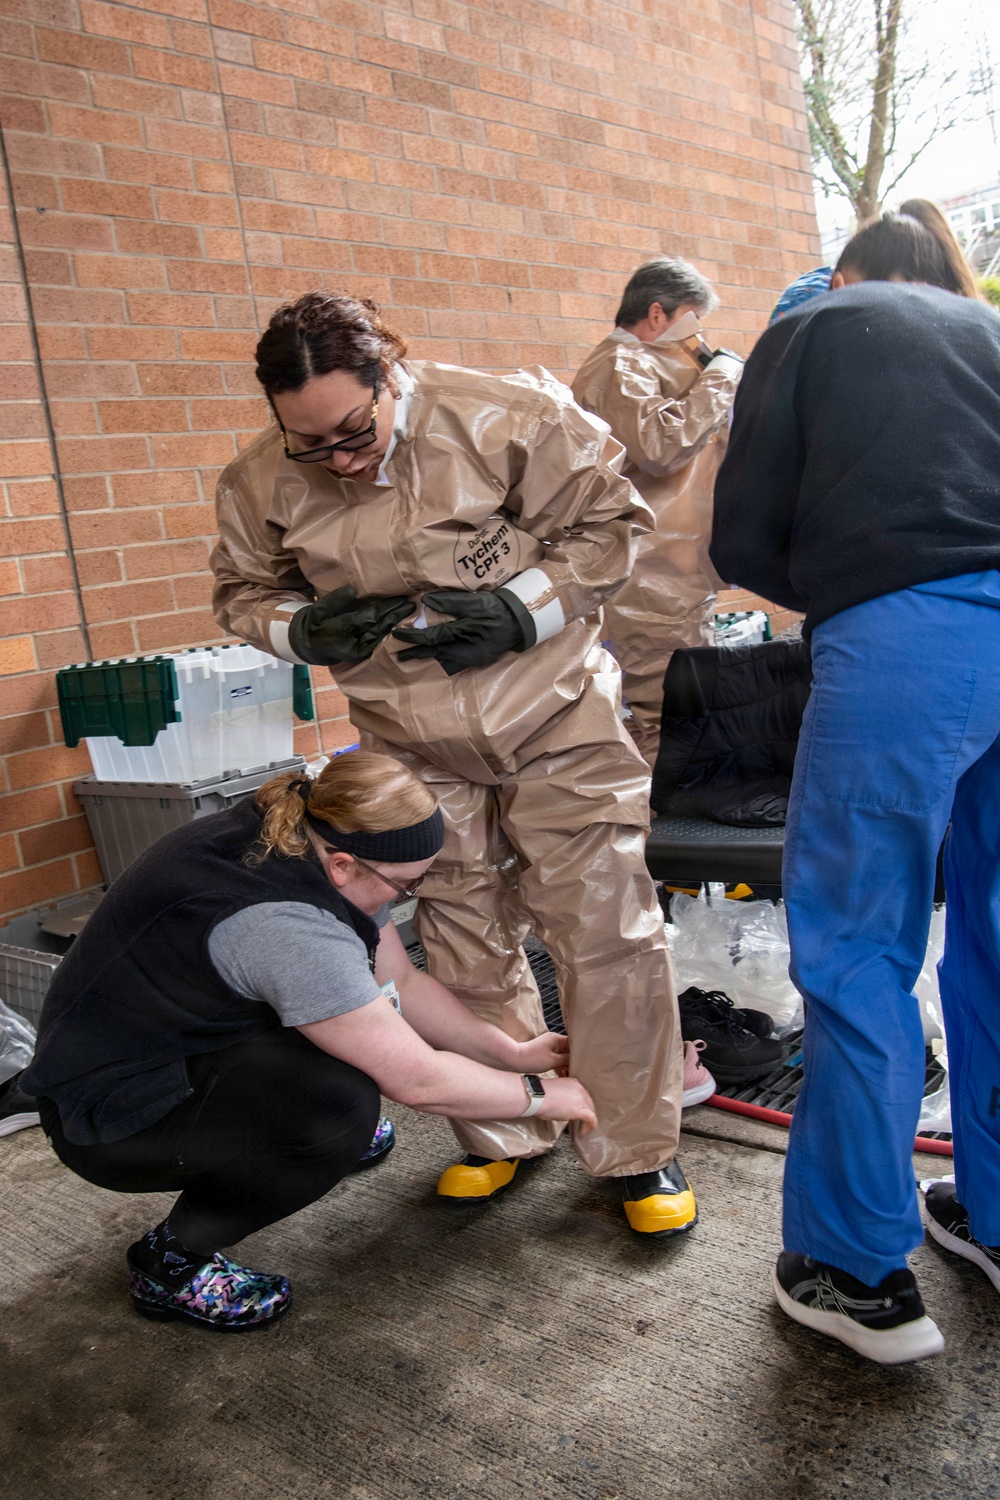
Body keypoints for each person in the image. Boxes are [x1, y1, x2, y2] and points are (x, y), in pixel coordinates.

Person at [210, 292, 697, 1238]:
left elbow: (611, 526)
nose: (341, 460)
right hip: (409, 735)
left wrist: (524, 609)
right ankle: (503, 1137)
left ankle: (637, 1148)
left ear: (393, 372)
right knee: (460, 927)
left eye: (355, 430)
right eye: (310, 444)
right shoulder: (261, 480)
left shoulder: (510, 416)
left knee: (606, 929)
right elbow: (241, 591)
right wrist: (298, 626)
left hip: (556, 710)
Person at [711, 211, 1000, 1364]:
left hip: (905, 637)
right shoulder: (986, 333)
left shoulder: (815, 320)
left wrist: (845, 582)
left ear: (847, 274)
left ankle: (852, 1269)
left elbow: (742, 536)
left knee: (859, 948)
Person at [23, 753, 596, 1332]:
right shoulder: (286, 927)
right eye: (407, 885)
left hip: (154, 1046)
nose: (408, 895)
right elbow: (418, 1080)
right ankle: (171, 1262)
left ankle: (272, 1136)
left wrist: (510, 1052)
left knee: (349, 1038)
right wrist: (550, 1096)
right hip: (111, 1119)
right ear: (345, 866)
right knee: (340, 1109)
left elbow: (397, 981)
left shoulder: (301, 828)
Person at [571, 258, 743, 764]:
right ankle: (666, 835)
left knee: (689, 713)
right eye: (693, 319)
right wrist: (722, 376)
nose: (698, 339)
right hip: (650, 580)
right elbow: (664, 446)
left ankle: (682, 820)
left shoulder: (646, 367)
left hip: (674, 573)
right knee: (669, 723)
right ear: (656, 314)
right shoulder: (619, 368)